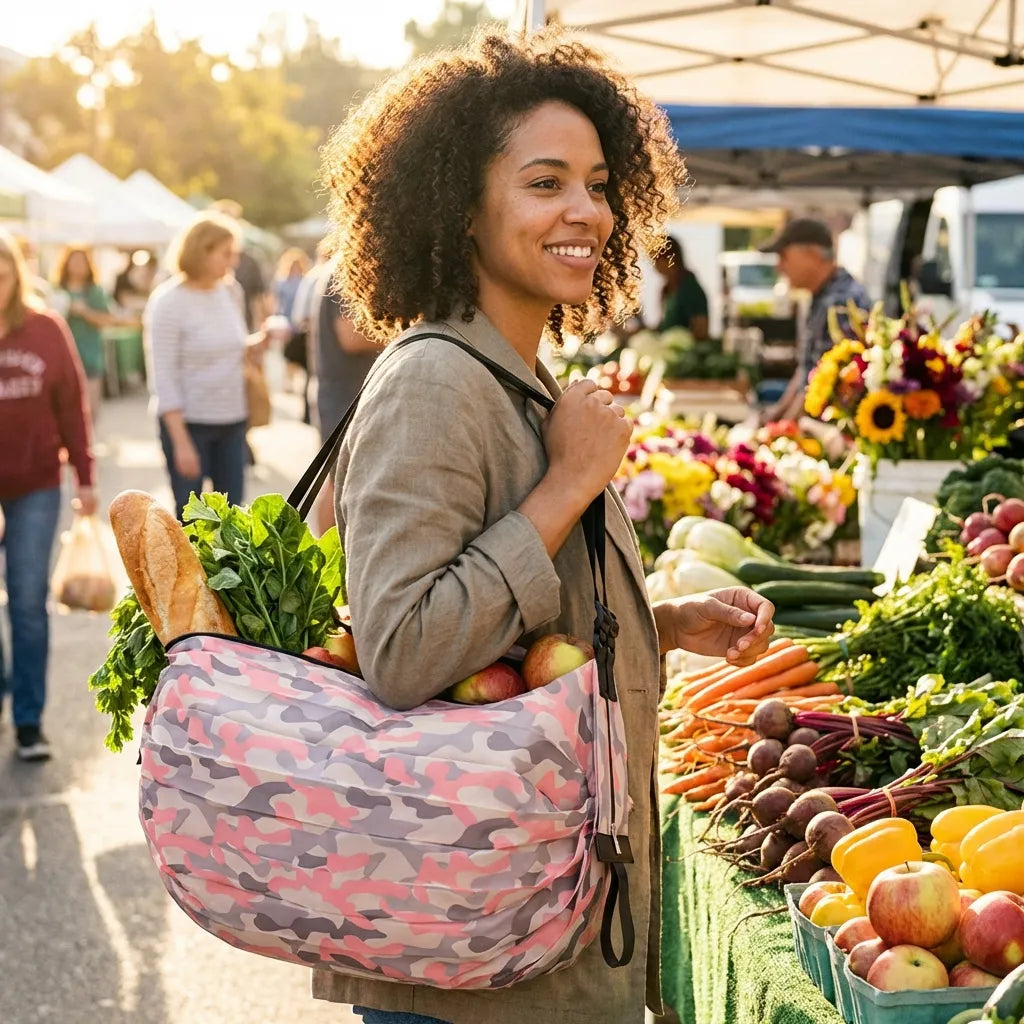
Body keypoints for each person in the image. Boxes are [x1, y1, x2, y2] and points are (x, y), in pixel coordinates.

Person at [314, 28, 775, 1024]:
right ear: (460, 208)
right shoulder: (434, 381)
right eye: (544, 183)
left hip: (521, 929)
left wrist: (657, 622)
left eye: (600, 185)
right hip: (467, 964)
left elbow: (511, 628)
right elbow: (404, 649)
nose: (587, 212)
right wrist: (566, 485)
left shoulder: (512, 373)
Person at [0, 229, 96, 761]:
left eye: (2, 276)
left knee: (27, 602)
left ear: (16, 276)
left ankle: (28, 720)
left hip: (35, 485)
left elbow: (72, 405)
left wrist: (86, 477)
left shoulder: (45, 329)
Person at [144, 211, 267, 518]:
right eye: (226, 253)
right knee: (193, 522)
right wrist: (181, 442)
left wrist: (260, 342)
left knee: (233, 519)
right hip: (189, 425)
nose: (233, 261)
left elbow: (232, 347)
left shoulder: (231, 290)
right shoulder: (168, 302)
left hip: (232, 421)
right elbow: (163, 377)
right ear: (202, 251)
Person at [761, 218, 871, 422]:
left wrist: (782, 428)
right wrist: (775, 418)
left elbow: (823, 382)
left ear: (812, 254)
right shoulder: (821, 296)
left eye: (783, 256)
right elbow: (806, 371)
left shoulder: (841, 302)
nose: (779, 266)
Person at [312, 275, 378, 535]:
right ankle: (326, 552)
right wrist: (405, 333)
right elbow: (350, 336)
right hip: (342, 399)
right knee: (337, 483)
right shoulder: (344, 274)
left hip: (351, 396)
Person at [53, 244, 132, 418]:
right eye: (74, 261)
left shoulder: (95, 292)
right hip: (60, 359)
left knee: (90, 411)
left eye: (82, 261)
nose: (78, 265)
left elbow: (108, 320)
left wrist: (85, 311)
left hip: (90, 359)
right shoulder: (56, 292)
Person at [653, 235, 709, 339]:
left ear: (669, 258)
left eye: (655, 260)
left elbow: (701, 330)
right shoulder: (667, 288)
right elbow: (665, 323)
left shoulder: (690, 288)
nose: (654, 265)